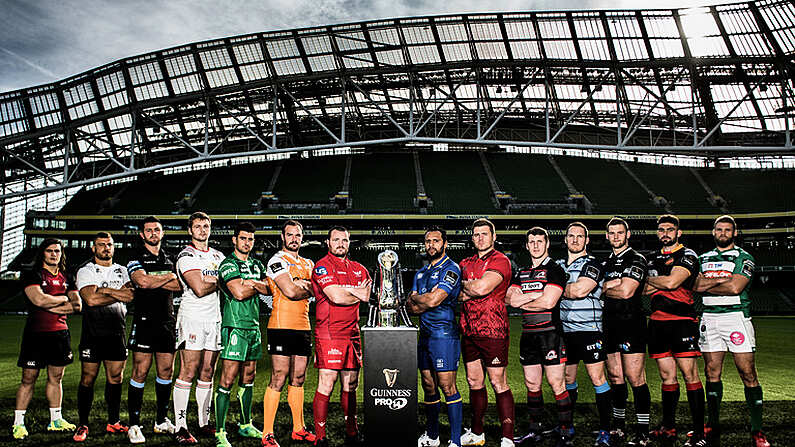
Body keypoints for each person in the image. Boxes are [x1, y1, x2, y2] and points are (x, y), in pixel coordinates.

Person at [695, 215, 770, 447]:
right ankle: (712, 425)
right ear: (713, 232)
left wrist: (710, 284)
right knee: (711, 372)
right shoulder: (702, 258)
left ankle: (757, 429)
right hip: (710, 318)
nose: (723, 233)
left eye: (728, 230)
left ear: (734, 233)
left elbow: (736, 286)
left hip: (736, 318)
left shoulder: (744, 257)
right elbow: (694, 286)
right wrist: (723, 282)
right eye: (719, 229)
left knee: (747, 373)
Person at [507, 227, 572, 447]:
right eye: (531, 241)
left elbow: (549, 302)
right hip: (528, 336)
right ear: (526, 246)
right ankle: (535, 430)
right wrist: (537, 294)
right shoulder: (522, 272)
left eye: (539, 241)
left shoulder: (555, 269)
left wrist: (525, 298)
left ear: (547, 244)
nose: (535, 245)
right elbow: (510, 300)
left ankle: (565, 432)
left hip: (550, 334)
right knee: (531, 384)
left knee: (556, 383)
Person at [644, 215, 705, 447]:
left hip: (682, 321)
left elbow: (671, 283)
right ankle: (668, 427)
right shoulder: (651, 257)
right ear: (658, 233)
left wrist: (655, 280)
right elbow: (642, 290)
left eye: (670, 229)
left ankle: (699, 433)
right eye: (661, 230)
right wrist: (662, 280)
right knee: (667, 376)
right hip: (658, 322)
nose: (666, 233)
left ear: (678, 233)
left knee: (690, 375)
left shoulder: (688, 255)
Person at [13, 238, 81, 440]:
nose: (54, 254)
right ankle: (18, 423)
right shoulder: (31, 273)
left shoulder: (68, 275)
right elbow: (38, 299)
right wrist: (63, 299)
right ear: (42, 253)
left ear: (62, 253)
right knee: (28, 379)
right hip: (36, 333)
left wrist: (49, 303)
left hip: (60, 333)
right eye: (50, 251)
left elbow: (77, 306)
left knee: (56, 378)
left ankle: (56, 420)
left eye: (57, 251)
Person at [310, 226, 372, 447]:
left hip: (352, 333)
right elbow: (336, 297)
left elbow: (366, 295)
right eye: (335, 240)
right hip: (329, 332)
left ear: (349, 242)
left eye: (344, 240)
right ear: (328, 243)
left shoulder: (360, 269)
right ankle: (320, 438)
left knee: (351, 383)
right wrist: (355, 292)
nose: (340, 244)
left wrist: (349, 292)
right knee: (327, 382)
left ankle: (352, 433)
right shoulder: (321, 267)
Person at [458, 219, 515, 447]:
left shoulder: (500, 260)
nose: (480, 238)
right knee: (474, 381)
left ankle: (508, 437)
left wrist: (471, 286)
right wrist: (474, 286)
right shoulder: (464, 262)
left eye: (484, 234)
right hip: (469, 329)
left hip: (493, 330)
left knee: (497, 381)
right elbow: (457, 294)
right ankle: (477, 432)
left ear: (493, 236)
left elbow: (482, 287)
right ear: (472, 238)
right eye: (476, 234)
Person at [73, 232, 134, 442]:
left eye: (109, 244)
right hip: (93, 332)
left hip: (117, 331)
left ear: (114, 247)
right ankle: (83, 423)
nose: (106, 248)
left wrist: (105, 290)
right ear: (93, 248)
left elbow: (131, 295)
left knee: (115, 377)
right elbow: (90, 299)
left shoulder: (123, 270)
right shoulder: (86, 270)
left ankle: (114, 421)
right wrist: (116, 292)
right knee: (88, 377)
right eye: (101, 245)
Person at [126, 215, 182, 444]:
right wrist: (166, 277)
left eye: (156, 230)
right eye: (148, 230)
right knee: (140, 370)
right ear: (142, 234)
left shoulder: (171, 259)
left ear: (162, 232)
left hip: (167, 320)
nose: (153, 234)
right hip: (144, 320)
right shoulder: (134, 258)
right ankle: (134, 425)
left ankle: (160, 420)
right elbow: (143, 283)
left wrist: (155, 278)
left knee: (166, 370)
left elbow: (180, 285)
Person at [406, 227, 464, 447]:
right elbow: (410, 306)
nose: (431, 245)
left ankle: (456, 440)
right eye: (428, 241)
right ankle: (432, 436)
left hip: (444, 335)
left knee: (447, 386)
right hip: (425, 335)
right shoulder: (421, 272)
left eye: (436, 241)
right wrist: (424, 300)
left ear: (445, 244)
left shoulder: (451, 269)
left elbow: (432, 301)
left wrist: (422, 299)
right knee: (428, 385)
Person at [556, 222, 612, 447]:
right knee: (567, 379)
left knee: (597, 379)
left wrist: (556, 289)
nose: (575, 240)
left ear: (587, 240)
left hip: (590, 330)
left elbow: (580, 290)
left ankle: (605, 430)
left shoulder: (593, 263)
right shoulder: (558, 264)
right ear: (566, 239)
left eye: (580, 236)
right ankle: (567, 426)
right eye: (572, 236)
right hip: (564, 331)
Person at [262, 220, 317, 446]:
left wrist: (302, 283)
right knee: (279, 376)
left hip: (303, 326)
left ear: (302, 238)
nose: (294, 239)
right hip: (281, 325)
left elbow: (315, 290)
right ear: (282, 237)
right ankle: (267, 433)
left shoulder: (308, 262)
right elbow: (291, 291)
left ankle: (298, 429)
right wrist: (304, 285)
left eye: (298, 235)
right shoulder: (276, 261)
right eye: (290, 235)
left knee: (299, 377)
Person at [172, 212, 225, 444]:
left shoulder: (218, 255)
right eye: (197, 226)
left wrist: (216, 280)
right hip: (192, 318)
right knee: (188, 371)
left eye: (206, 226)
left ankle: (204, 422)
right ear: (190, 230)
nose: (202, 230)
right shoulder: (186, 255)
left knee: (208, 372)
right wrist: (222, 279)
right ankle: (180, 426)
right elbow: (199, 288)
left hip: (214, 319)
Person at [214, 222, 268, 447]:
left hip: (254, 327)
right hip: (234, 326)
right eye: (243, 238)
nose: (247, 242)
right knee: (227, 379)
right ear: (234, 239)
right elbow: (237, 292)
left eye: (251, 239)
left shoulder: (257, 263)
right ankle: (220, 431)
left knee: (249, 377)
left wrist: (250, 283)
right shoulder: (227, 263)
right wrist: (255, 285)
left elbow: (270, 288)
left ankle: (246, 425)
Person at [601, 217, 652, 446]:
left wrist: (604, 289)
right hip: (610, 324)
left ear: (628, 234)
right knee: (616, 377)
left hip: (632, 323)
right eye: (612, 233)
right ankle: (619, 427)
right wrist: (612, 285)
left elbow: (626, 292)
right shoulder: (606, 263)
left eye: (620, 233)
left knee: (635, 377)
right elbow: (615, 287)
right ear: (607, 236)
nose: (616, 237)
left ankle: (643, 431)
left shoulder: (637, 259)